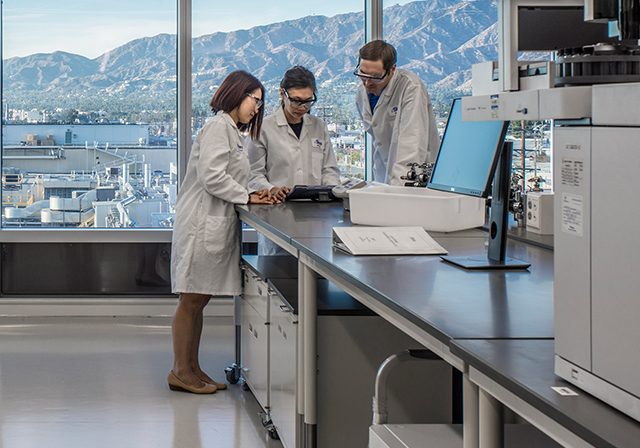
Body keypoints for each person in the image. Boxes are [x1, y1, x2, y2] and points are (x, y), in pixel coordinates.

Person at [169, 70, 275, 394]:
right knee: (191, 300)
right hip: (201, 223)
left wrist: (259, 191)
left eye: (260, 103)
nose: (256, 108)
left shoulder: (232, 131)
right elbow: (212, 176)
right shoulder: (218, 126)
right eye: (253, 100)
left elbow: (231, 176)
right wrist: (246, 195)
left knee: (199, 299)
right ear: (236, 94)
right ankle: (179, 371)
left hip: (212, 222)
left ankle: (192, 368)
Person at [248, 65, 340, 255]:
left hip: (316, 218)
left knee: (315, 273)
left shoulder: (319, 126)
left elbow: (329, 169)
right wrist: (272, 189)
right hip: (277, 216)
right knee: (280, 275)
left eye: (308, 102)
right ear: (282, 93)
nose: (302, 108)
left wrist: (331, 194)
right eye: (296, 101)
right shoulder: (264, 128)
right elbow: (253, 175)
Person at [354, 40, 441, 186]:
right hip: (383, 176)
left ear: (392, 69)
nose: (367, 83)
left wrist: (398, 188)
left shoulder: (411, 87)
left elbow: (412, 142)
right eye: (363, 74)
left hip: (416, 177)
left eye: (375, 77)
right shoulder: (361, 93)